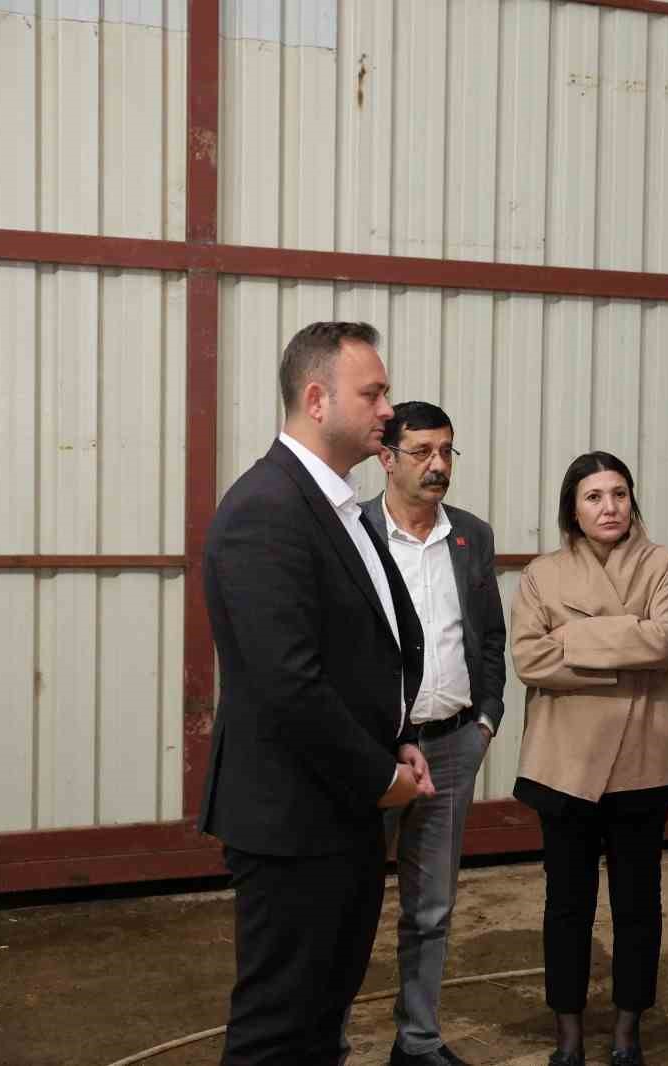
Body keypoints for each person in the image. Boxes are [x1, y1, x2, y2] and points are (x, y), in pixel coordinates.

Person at [199, 321, 433, 1065]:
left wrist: (398, 738)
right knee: (279, 1028)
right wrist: (380, 777)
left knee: (321, 1015)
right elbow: (287, 683)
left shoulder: (336, 505)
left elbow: (363, 651)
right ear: (316, 399)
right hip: (295, 819)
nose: (388, 409)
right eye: (373, 393)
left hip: (342, 808)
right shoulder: (266, 509)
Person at [510, 451, 668, 1066]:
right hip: (563, 763)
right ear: (573, 509)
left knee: (637, 904)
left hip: (644, 757)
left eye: (619, 493)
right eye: (593, 497)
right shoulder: (542, 574)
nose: (609, 507)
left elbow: (661, 643)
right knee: (567, 904)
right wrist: (625, 640)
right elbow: (528, 659)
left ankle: (627, 1029)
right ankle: (568, 1032)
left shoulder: (666, 565)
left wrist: (569, 638)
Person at [360, 401, 508, 1066]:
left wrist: (486, 721)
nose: (438, 464)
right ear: (386, 458)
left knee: (432, 909)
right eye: (421, 451)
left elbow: (490, 637)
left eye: (446, 450)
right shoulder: (354, 533)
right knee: (348, 907)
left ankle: (417, 1042)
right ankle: (326, 1042)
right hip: (373, 755)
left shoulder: (470, 536)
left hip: (451, 748)